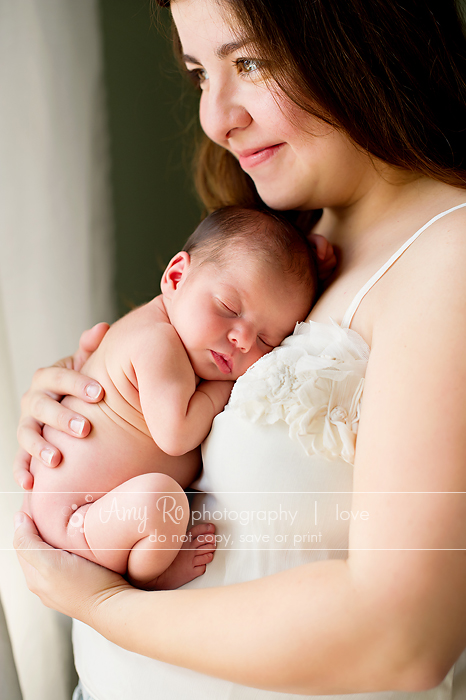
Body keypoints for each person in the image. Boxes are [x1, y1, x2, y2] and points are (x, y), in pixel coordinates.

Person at [13, 0, 466, 699]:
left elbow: (400, 638)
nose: (216, 119)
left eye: (248, 63)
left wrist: (104, 606)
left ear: (358, 41)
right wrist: (71, 404)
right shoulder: (273, 249)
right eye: (200, 74)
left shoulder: (449, 255)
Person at [24, 205, 317, 590]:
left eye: (267, 340)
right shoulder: (157, 341)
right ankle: (150, 579)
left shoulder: (171, 333)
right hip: (78, 518)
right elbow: (176, 435)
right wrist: (221, 391)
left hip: (91, 512)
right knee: (160, 502)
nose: (243, 339)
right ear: (177, 277)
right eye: (229, 308)